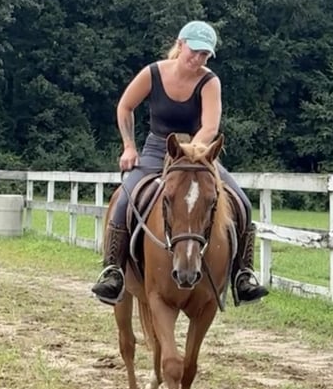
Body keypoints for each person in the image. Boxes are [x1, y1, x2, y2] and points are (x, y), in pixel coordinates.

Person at [91, 20, 269, 307]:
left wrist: (192, 154)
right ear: (181, 43)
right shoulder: (153, 72)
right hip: (156, 150)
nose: (198, 59)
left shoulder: (209, 81)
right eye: (194, 51)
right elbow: (125, 106)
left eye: (205, 55)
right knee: (123, 200)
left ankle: (243, 274)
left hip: (198, 155)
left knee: (242, 203)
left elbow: (210, 127)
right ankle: (113, 270)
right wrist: (128, 145)